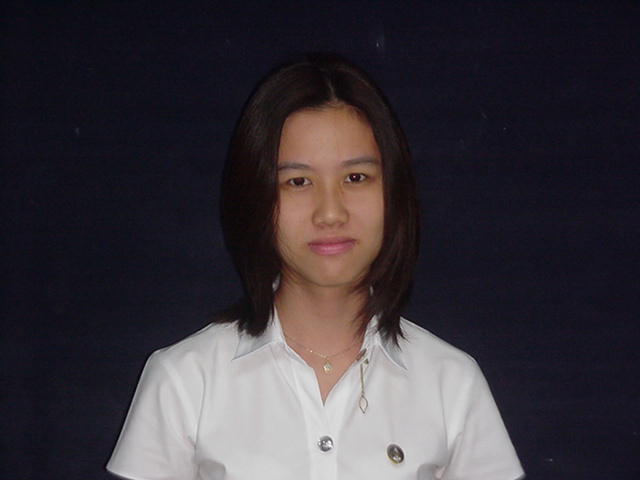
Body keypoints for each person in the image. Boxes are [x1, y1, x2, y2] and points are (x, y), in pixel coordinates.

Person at [106, 54, 524, 480]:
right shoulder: (184, 380)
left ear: (394, 193)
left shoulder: (450, 383)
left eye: (356, 178)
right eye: (298, 182)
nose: (330, 213)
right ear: (255, 197)